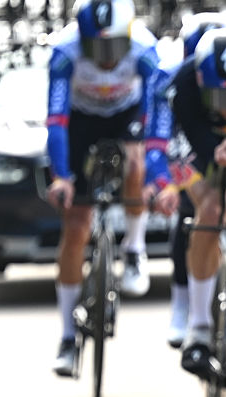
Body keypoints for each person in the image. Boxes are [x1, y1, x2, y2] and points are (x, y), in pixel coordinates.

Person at [47, 0, 160, 375]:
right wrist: (62, 175)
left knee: (136, 157)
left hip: (127, 114)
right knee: (76, 226)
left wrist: (154, 171)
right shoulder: (64, 53)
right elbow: (57, 120)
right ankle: (66, 337)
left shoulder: (145, 49)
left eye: (115, 48)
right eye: (98, 49)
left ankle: (134, 249)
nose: (108, 60)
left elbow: (155, 113)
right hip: (81, 120)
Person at [146, 26, 226, 375]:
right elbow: (187, 142)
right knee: (212, 207)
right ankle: (198, 327)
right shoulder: (182, 83)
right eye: (221, 99)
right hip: (199, 144)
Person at [163, 9, 226, 348]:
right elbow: (180, 139)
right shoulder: (180, 81)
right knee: (202, 209)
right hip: (191, 142)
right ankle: (193, 315)